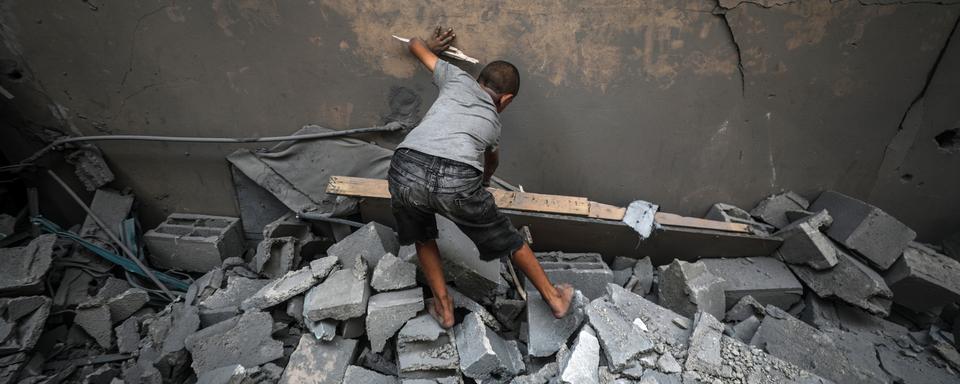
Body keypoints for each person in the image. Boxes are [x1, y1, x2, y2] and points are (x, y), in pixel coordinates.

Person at [388, 26, 575, 329]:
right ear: (507, 99)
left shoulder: (455, 77)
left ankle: (444, 308)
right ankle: (554, 299)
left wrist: (431, 45)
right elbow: (492, 160)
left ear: (477, 80)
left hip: (406, 165)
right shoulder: (493, 122)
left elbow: (413, 44)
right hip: (457, 178)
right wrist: (484, 182)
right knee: (509, 239)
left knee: (422, 236)